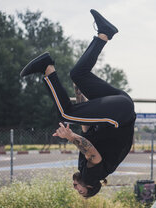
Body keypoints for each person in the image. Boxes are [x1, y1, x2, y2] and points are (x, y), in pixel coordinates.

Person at [20, 9, 136, 198]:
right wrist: (70, 136)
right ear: (89, 188)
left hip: (121, 105)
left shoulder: (83, 168)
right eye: (80, 191)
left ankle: (104, 34)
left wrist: (78, 91)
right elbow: (92, 154)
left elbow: (86, 128)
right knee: (65, 114)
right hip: (119, 116)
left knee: (78, 74)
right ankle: (47, 68)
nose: (76, 188)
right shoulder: (92, 176)